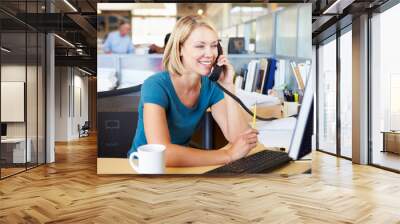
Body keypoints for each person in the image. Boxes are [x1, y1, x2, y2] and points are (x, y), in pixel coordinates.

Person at [128, 15, 258, 167]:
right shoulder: (156, 85)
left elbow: (241, 139)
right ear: (179, 49)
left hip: (182, 164)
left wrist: (229, 86)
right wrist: (228, 155)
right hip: (144, 167)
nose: (210, 54)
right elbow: (162, 153)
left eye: (214, 45)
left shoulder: (211, 85)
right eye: (200, 46)